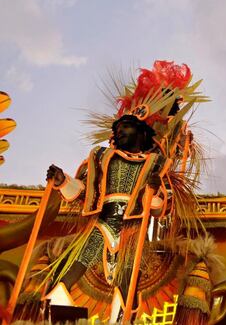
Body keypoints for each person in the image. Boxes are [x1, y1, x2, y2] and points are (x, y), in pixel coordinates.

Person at [33, 60, 206, 323]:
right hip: (101, 222)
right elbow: (82, 194)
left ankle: (121, 319)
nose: (120, 131)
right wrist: (61, 181)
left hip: (132, 229)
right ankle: (53, 312)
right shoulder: (100, 157)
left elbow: (164, 206)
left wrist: (154, 197)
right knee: (71, 269)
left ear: (143, 134)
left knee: (127, 281)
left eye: (127, 128)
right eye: (118, 128)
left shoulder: (155, 164)